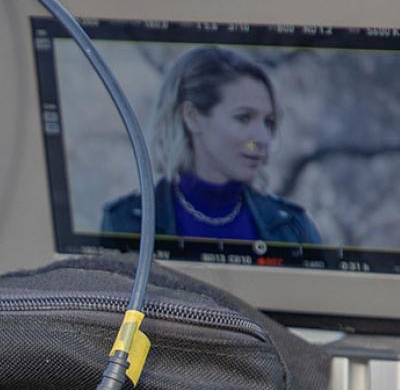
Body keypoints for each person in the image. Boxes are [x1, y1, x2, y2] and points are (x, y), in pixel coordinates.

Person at [101, 46, 321, 246]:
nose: (263, 138)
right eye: (244, 118)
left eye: (268, 122)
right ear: (192, 117)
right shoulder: (126, 223)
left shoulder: (293, 229)